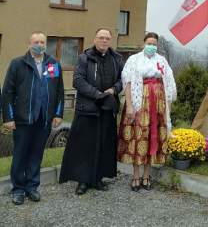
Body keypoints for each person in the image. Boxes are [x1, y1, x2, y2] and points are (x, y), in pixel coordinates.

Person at [59, 28, 124, 195]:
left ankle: (98, 178)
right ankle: (83, 180)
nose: (104, 41)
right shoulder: (84, 58)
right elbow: (78, 81)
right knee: (85, 146)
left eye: (107, 38)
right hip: (88, 109)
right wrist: (98, 95)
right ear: (95, 39)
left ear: (110, 41)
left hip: (107, 109)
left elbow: (122, 80)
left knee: (104, 145)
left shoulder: (116, 59)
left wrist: (114, 90)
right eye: (101, 37)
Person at [2, 32, 64, 205]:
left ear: (46, 44)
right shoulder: (18, 64)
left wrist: (58, 114)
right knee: (21, 154)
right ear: (29, 44)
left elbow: (59, 92)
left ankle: (32, 187)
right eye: (36, 42)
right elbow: (7, 92)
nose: (40, 44)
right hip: (23, 119)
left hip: (44, 119)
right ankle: (18, 189)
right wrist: (9, 117)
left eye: (42, 42)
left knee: (36, 154)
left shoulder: (53, 64)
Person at [117, 32, 176, 191]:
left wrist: (167, 108)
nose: (152, 46)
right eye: (149, 43)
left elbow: (169, 83)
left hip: (157, 104)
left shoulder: (161, 60)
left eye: (154, 44)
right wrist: (129, 105)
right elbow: (128, 83)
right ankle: (135, 175)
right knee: (138, 137)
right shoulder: (134, 59)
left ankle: (146, 176)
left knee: (152, 136)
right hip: (139, 103)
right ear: (143, 43)